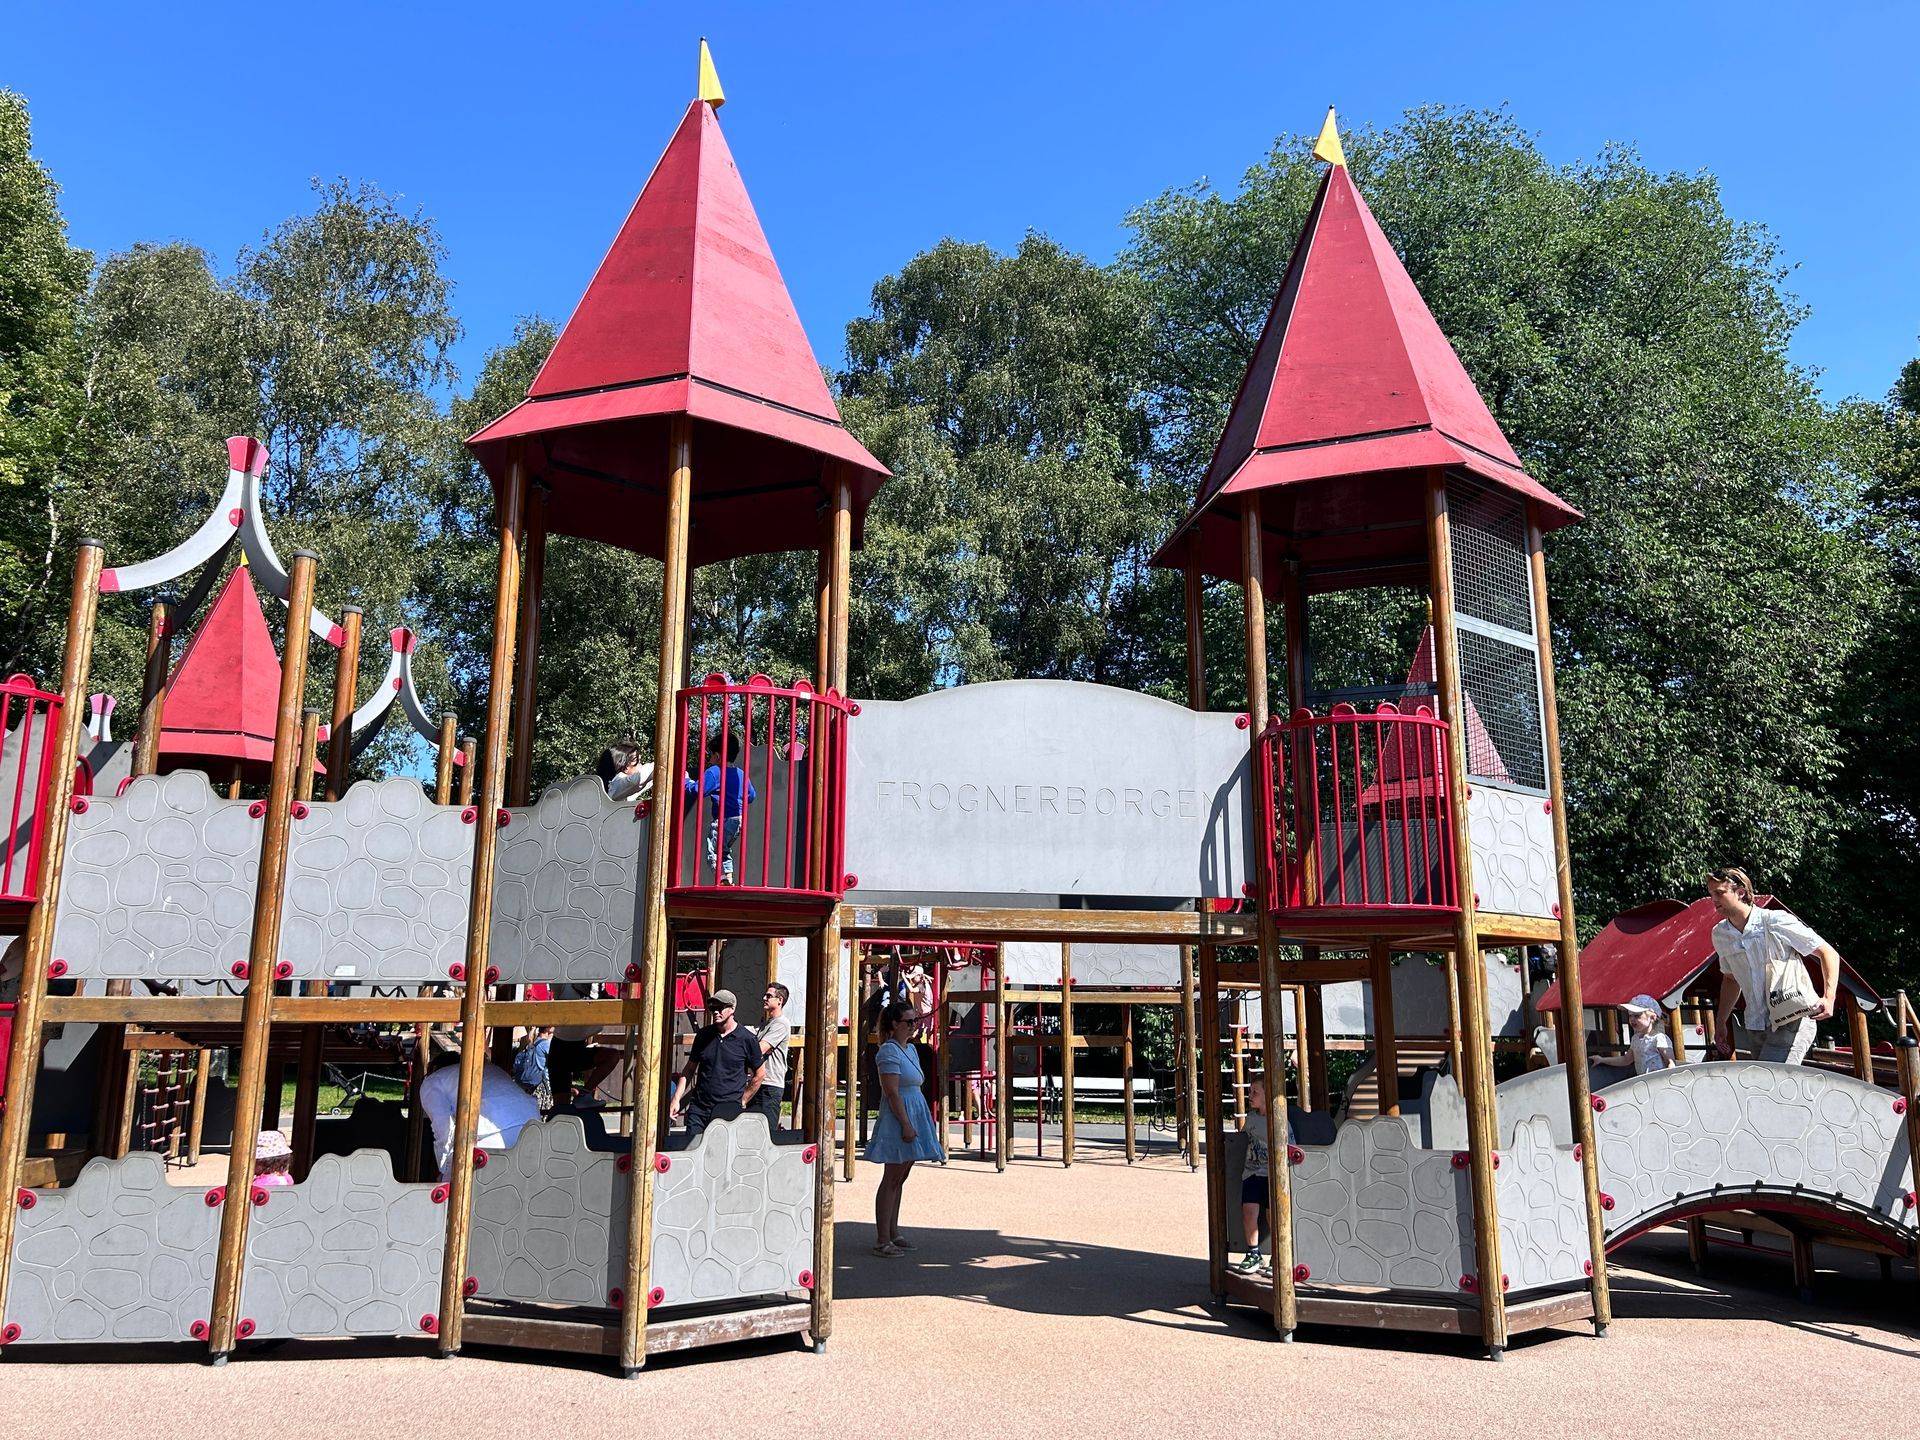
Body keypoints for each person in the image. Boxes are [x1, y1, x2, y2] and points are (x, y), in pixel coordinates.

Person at [1706, 867, 1840, 1066]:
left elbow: (1828, 953)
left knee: (1770, 1087)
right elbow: (1730, 978)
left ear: (1741, 892)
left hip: (1791, 1018)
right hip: (1755, 1023)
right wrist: (1720, 1022)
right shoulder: (1720, 934)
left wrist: (1829, 998)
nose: (1714, 900)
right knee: (1768, 1091)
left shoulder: (1775, 921)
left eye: (1719, 893)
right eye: (1711, 894)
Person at [867, 1001, 944, 1257]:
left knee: (901, 1177)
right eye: (909, 1022)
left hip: (914, 1109)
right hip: (900, 1116)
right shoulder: (888, 1051)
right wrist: (906, 1124)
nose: (914, 1026)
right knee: (891, 1177)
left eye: (915, 1020)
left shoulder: (909, 1049)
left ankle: (893, 1231)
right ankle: (882, 1238)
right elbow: (891, 1092)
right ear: (895, 1024)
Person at [419, 1051, 542, 1178]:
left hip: (488, 1136)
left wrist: (445, 1167)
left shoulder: (433, 1081)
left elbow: (444, 1128)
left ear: (434, 1068)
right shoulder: (491, 1069)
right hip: (532, 1126)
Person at [670, 989, 766, 1138]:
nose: (715, 1012)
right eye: (712, 1008)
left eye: (720, 1008)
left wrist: (743, 1099)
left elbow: (760, 1074)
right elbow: (689, 1069)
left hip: (728, 1109)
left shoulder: (747, 1039)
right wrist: (676, 1099)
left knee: (720, 1155)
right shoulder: (704, 1035)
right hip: (699, 1108)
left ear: (732, 1008)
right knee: (692, 1149)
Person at [683, 729, 756, 884]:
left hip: (723, 820)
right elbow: (751, 795)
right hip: (739, 820)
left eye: (710, 755)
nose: (709, 759)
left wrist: (686, 781)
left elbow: (698, 790)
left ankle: (721, 879)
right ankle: (729, 878)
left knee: (712, 850)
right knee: (724, 851)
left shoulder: (715, 772)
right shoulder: (741, 774)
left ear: (717, 756)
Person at [1232, 1076, 1272, 1277]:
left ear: (1268, 1094)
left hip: (1272, 1175)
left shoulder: (1278, 1119)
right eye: (1250, 1092)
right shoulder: (1252, 1118)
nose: (1250, 1096)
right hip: (1252, 1172)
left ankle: (1279, 1255)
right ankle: (1253, 1252)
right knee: (1249, 1211)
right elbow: (1242, 1139)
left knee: (1272, 1214)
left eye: (1255, 1092)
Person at [743, 982, 792, 1130]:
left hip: (770, 1086)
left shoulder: (781, 1024)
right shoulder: (765, 1025)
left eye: (769, 996)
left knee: (766, 1135)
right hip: (757, 1084)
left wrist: (757, 1048)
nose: (764, 998)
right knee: (751, 1134)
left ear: (780, 1000)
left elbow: (759, 1050)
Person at [1619, 995, 1673, 1074]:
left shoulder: (1659, 1038)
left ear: (1652, 1018)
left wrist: (1667, 1078)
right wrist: (1601, 1060)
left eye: (1637, 1015)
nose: (1632, 1019)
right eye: (1630, 1015)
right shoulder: (1635, 1039)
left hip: (1657, 1082)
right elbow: (1627, 1059)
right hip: (1643, 1083)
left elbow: (1670, 1062)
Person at [513, 1025, 554, 1106]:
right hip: (542, 1085)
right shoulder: (545, 1044)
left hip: (531, 1084)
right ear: (547, 1028)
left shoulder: (534, 1042)